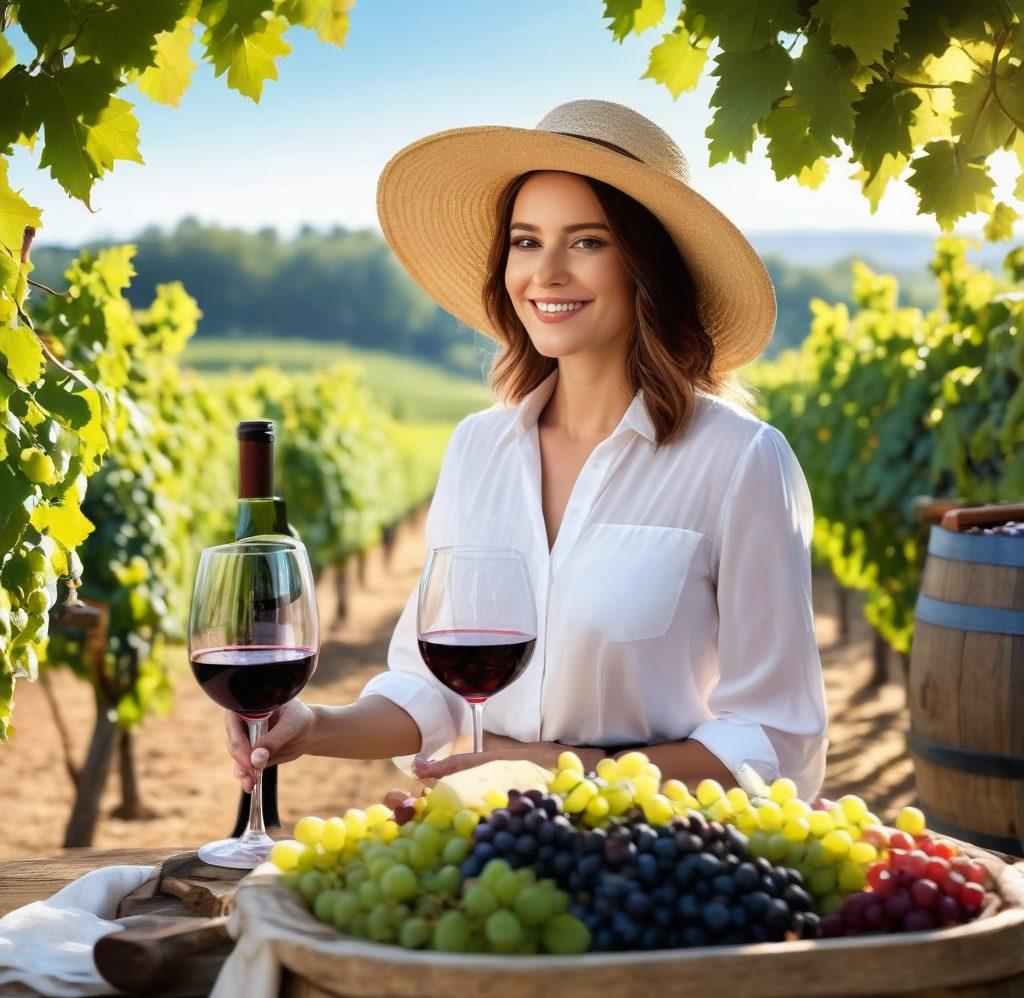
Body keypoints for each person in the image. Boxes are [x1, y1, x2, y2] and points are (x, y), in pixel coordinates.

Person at [226, 99, 829, 799]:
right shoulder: (478, 449)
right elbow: (432, 692)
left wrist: (569, 773)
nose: (545, 274)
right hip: (492, 843)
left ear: (648, 266)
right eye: (525, 240)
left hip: (648, 858)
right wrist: (315, 725)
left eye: (588, 242)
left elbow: (777, 739)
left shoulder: (738, 461)